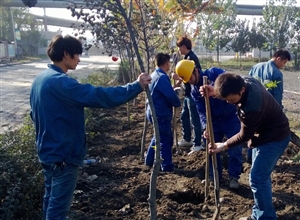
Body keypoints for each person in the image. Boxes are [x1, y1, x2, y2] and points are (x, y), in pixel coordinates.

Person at [29, 35, 152, 219]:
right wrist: (135, 86)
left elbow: (34, 115)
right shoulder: (62, 83)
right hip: (63, 156)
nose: (79, 59)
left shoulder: (40, 80)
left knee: (50, 200)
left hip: (47, 153)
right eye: (77, 55)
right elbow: (98, 96)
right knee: (58, 209)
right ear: (66, 54)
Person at [200, 73, 290, 220]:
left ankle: (265, 217)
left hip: (274, 138)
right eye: (226, 99)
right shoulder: (244, 81)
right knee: (260, 177)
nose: (229, 103)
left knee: (257, 178)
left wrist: (223, 145)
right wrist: (215, 92)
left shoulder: (252, 107)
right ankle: (259, 213)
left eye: (231, 99)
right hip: (262, 136)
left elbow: (244, 135)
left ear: (241, 90)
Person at [174, 60, 243, 189]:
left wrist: (215, 91)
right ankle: (214, 175)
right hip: (214, 121)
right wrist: (206, 126)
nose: (190, 81)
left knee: (235, 147)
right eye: (187, 80)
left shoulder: (214, 73)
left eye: (190, 78)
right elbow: (201, 111)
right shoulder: (195, 91)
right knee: (211, 147)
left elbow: (231, 85)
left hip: (230, 117)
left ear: (195, 71)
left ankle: (234, 176)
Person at [248, 49, 291, 162]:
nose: (283, 65)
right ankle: (263, 160)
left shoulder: (255, 67)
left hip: (253, 109)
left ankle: (250, 159)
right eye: (284, 62)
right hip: (268, 111)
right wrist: (279, 113)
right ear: (278, 59)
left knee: (252, 133)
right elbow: (277, 96)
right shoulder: (276, 74)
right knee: (267, 136)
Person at [145, 53, 181, 172]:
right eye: (169, 63)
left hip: (152, 111)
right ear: (166, 63)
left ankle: (149, 160)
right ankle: (167, 167)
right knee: (166, 140)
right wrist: (177, 102)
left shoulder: (154, 74)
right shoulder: (162, 77)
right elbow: (170, 96)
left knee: (158, 137)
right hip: (160, 113)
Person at [176, 36, 204, 154]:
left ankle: (198, 143)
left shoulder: (191, 59)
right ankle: (187, 138)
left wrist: (179, 79)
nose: (178, 50)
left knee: (194, 119)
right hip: (188, 93)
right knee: (184, 116)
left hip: (192, 94)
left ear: (183, 47)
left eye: (179, 48)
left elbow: (192, 77)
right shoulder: (187, 57)